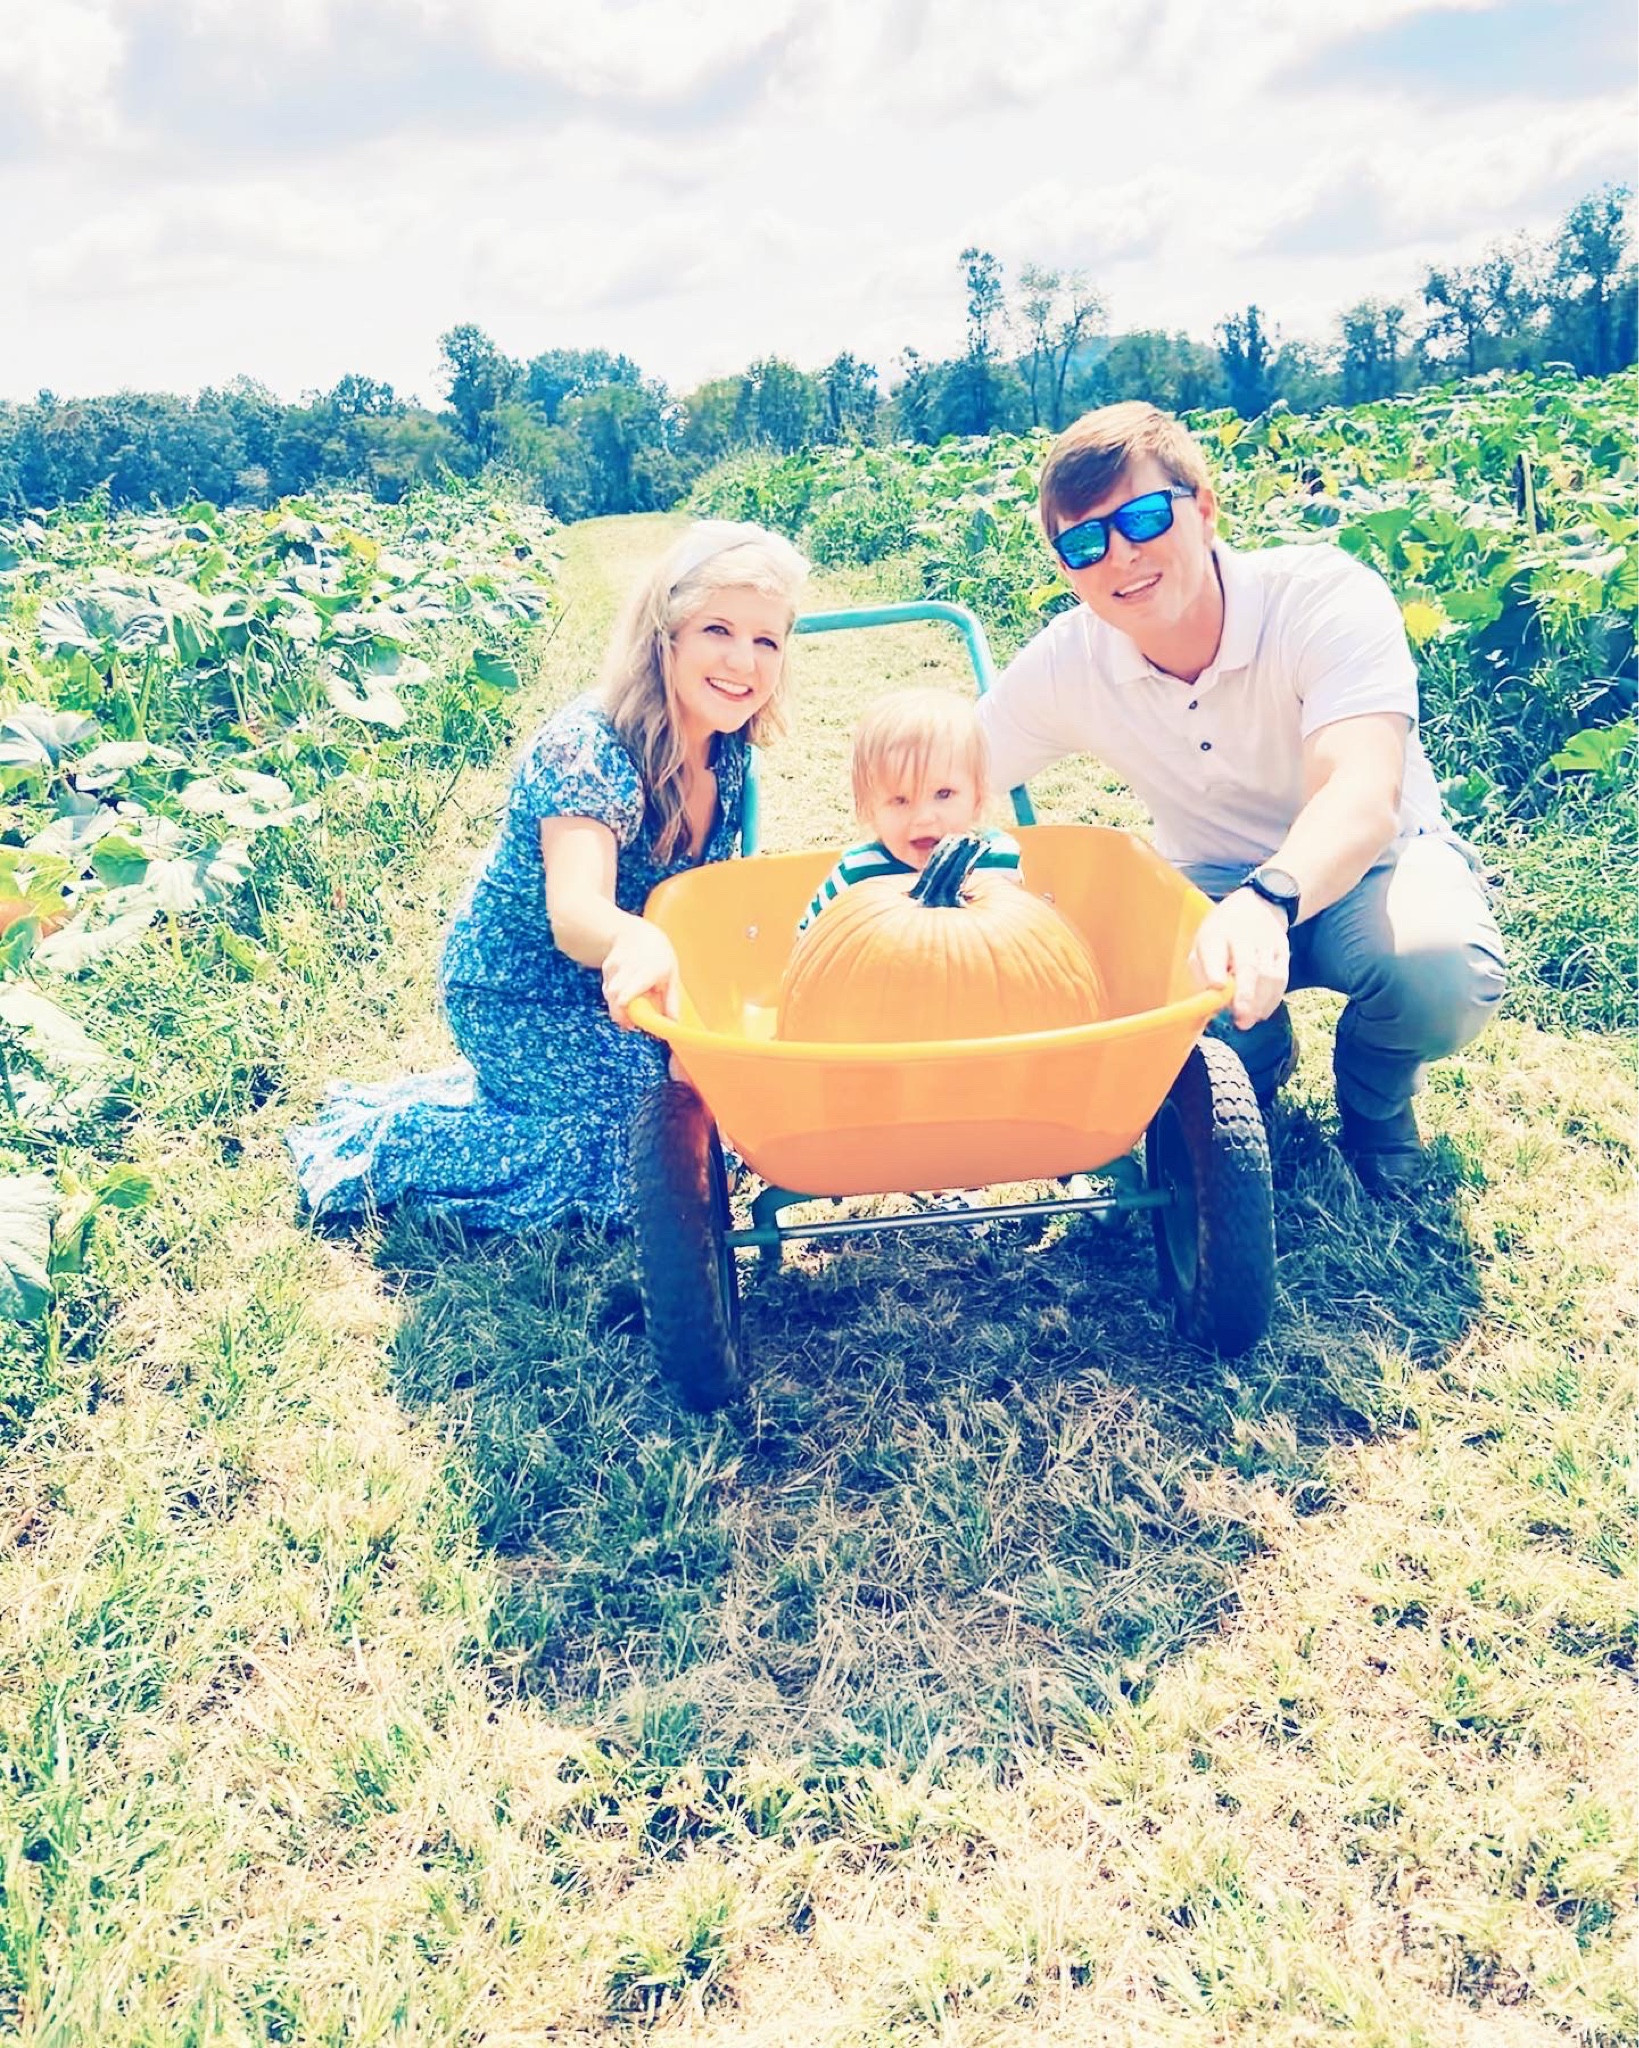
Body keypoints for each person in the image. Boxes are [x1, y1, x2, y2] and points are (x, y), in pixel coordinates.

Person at [976, 401, 1506, 1193]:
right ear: (1066, 571)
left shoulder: (1320, 597)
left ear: (1204, 509)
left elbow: (1360, 792)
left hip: (1376, 864)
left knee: (1437, 974)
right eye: (1085, 542)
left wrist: (1267, 901)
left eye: (1144, 518)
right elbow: (960, 770)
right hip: (1210, 880)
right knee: (1151, 1013)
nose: (1120, 555)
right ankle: (1250, 1061)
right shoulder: (1068, 660)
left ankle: (1374, 1097)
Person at [287, 520, 809, 1229]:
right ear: (666, 635)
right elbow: (575, 913)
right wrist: (642, 942)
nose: (742, 660)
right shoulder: (589, 749)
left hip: (637, 986)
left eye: (766, 640)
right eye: (717, 629)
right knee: (644, 1145)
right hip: (525, 988)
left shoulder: (727, 749)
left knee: (717, 1105)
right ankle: (392, 1147)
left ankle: (527, 1097)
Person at [799, 687, 1021, 931]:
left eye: (943, 794)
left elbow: (1021, 936)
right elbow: (810, 943)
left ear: (977, 798)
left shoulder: (1000, 860)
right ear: (870, 810)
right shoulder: (857, 874)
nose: (923, 818)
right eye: (900, 800)